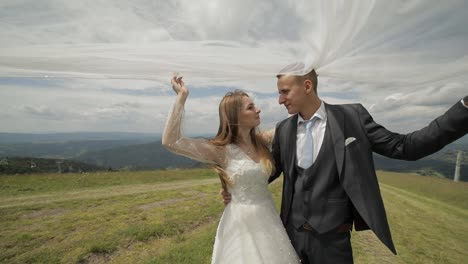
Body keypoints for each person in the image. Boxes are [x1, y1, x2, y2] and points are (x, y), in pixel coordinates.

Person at [222, 64, 468, 263]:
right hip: (290, 238)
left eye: (285, 92)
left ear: (307, 86)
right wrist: (235, 187)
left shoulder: (352, 117)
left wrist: (464, 109)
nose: (279, 100)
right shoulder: (284, 129)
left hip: (332, 243)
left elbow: (406, 147)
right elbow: (268, 170)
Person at [162, 74, 300, 264]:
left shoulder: (262, 141)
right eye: (250, 107)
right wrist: (181, 96)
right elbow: (171, 141)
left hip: (269, 218)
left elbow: (295, 123)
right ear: (235, 115)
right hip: (240, 224)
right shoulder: (220, 151)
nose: (258, 110)